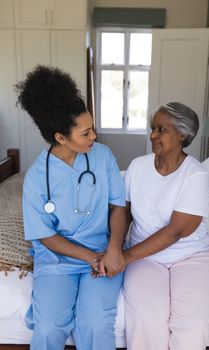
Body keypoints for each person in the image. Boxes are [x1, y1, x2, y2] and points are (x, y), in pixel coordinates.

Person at [15, 65, 126, 350]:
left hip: (103, 254)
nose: (94, 138)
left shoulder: (103, 157)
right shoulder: (38, 177)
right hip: (57, 261)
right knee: (50, 326)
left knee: (95, 324)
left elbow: (117, 207)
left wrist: (113, 250)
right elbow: (45, 235)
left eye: (93, 129)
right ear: (60, 138)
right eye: (86, 134)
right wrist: (88, 256)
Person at [123, 102, 209, 350]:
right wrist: (112, 247)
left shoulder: (196, 175)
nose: (153, 135)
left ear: (182, 135)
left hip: (192, 256)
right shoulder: (137, 166)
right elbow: (122, 213)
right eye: (153, 128)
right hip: (145, 258)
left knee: (194, 322)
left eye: (162, 130)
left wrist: (124, 257)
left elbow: (176, 231)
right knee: (146, 317)